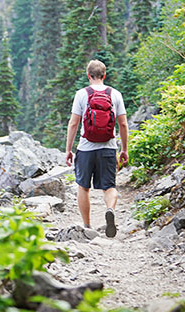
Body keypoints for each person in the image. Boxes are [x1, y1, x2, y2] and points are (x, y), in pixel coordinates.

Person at [65, 59, 128, 237]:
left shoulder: (81, 94)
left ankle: (87, 225)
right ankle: (110, 209)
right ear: (104, 75)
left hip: (85, 148)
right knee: (109, 186)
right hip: (108, 147)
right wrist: (124, 149)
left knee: (83, 187)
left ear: (88, 76)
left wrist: (69, 149)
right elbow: (123, 124)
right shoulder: (115, 94)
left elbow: (73, 123)